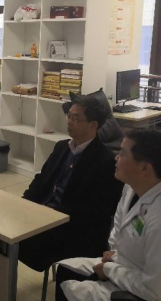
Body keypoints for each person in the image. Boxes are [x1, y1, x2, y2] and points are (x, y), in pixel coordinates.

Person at [56, 129, 161, 301]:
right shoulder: (134, 184)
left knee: (70, 289)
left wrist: (110, 270)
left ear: (145, 168)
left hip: (142, 291)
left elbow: (160, 292)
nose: (116, 157)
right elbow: (118, 226)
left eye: (123, 154)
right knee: (65, 269)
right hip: (122, 264)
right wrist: (113, 253)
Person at [19, 95, 123, 272]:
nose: (69, 121)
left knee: (14, 242)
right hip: (42, 217)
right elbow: (41, 180)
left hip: (71, 230)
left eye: (76, 118)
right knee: (0, 231)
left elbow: (95, 212)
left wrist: (48, 216)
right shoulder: (62, 147)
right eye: (69, 115)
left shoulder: (105, 162)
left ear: (93, 125)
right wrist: (24, 204)